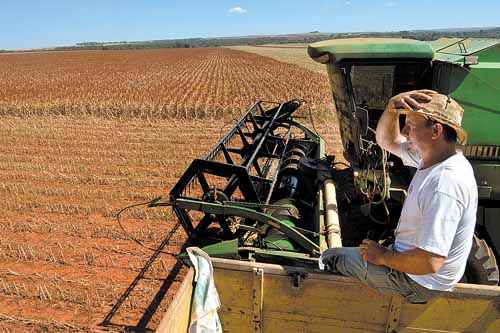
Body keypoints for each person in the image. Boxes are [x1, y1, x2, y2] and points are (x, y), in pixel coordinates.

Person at [321, 90, 478, 303]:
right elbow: (388, 141)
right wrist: (391, 109)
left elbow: (430, 262)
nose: (404, 131)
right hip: (418, 270)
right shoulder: (435, 157)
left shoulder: (445, 183)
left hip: (418, 282)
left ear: (436, 130)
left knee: (332, 258)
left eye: (411, 125)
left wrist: (384, 257)